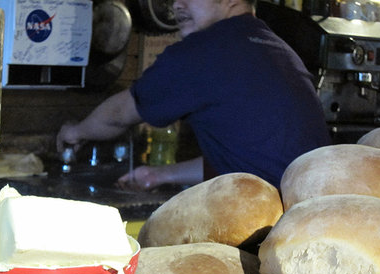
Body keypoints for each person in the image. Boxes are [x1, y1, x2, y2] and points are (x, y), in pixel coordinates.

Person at [56, 0, 331, 190]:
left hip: (269, 225)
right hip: (304, 216)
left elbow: (119, 115)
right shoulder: (275, 48)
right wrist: (159, 174)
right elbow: (247, 162)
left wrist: (76, 132)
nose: (177, 5)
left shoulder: (205, 50)